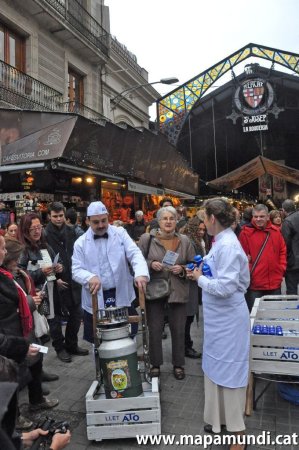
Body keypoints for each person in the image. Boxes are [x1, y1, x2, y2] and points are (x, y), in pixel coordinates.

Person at [186, 197, 250, 449]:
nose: (203, 223)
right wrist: (201, 267)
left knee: (231, 371)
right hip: (218, 320)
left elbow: (225, 287)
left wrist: (199, 279)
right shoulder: (218, 242)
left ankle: (238, 434)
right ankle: (218, 419)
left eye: (204, 218)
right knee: (215, 368)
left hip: (230, 321)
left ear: (213, 219)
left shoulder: (229, 246)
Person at [72, 201, 149, 344]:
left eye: (103, 220)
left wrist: (140, 273)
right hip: (97, 297)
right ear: (88, 221)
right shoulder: (80, 243)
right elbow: (76, 270)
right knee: (99, 341)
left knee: (127, 336)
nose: (101, 225)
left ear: (108, 217)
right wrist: (89, 277)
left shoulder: (120, 233)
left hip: (121, 293)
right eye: (96, 222)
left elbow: (135, 254)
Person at [0, 235, 59, 413]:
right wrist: (31, 302)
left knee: (36, 360)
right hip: (11, 335)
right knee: (11, 377)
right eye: (2, 249)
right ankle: (16, 418)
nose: (4, 252)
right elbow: (11, 307)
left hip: (24, 330)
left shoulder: (12, 275)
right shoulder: (5, 278)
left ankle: (37, 399)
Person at [138, 206, 195, 380]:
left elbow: (194, 265)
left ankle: (178, 364)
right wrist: (150, 264)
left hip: (177, 291)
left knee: (179, 330)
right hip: (155, 291)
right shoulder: (147, 239)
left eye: (172, 218)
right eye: (165, 219)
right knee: (154, 329)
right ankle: (155, 364)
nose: (168, 222)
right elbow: (136, 262)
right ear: (159, 221)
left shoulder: (184, 240)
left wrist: (183, 268)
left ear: (177, 221)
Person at [17, 213, 67, 363]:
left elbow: (58, 263)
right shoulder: (23, 250)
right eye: (33, 229)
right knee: (37, 329)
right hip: (36, 296)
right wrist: (40, 272)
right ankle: (37, 365)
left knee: (54, 321)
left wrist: (59, 268)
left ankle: (58, 349)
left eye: (39, 227)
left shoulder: (45, 245)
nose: (37, 231)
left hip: (51, 291)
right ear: (25, 230)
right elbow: (19, 275)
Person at [44, 202, 88, 362]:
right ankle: (60, 348)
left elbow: (79, 254)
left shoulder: (72, 231)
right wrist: (55, 280)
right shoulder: (44, 234)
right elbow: (43, 262)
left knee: (76, 314)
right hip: (54, 284)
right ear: (49, 216)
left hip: (73, 279)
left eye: (60, 215)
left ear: (64, 215)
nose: (58, 219)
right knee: (55, 319)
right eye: (54, 216)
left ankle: (72, 344)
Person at [239, 203, 287, 312]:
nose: (258, 219)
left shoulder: (275, 232)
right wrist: (249, 269)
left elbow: (282, 251)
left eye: (261, 216)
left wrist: (281, 268)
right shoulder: (245, 233)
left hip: (274, 282)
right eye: (255, 216)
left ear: (267, 217)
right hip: (255, 284)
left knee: (274, 316)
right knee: (255, 318)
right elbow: (242, 257)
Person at [182, 216, 209, 358]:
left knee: (189, 317)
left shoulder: (200, 241)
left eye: (203, 229)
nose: (201, 232)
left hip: (195, 282)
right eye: (199, 229)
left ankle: (186, 345)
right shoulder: (188, 241)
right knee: (187, 317)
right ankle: (186, 346)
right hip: (188, 283)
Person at [281, 199, 299, 294]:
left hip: (293, 263)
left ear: (283, 210)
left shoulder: (287, 222)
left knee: (292, 290)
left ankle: (294, 309)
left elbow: (285, 243)